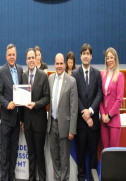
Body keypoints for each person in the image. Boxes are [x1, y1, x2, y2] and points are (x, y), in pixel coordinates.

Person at [72, 44, 102, 181]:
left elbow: (99, 94)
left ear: (91, 56)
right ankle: (81, 178)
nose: (85, 55)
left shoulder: (97, 73)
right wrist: (84, 114)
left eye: (88, 53)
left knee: (92, 156)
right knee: (81, 154)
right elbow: (75, 96)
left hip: (94, 124)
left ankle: (93, 178)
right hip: (81, 124)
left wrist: (90, 111)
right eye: (83, 53)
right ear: (80, 56)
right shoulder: (75, 74)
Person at [47, 53, 78, 181]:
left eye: (61, 63)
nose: (59, 66)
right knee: (55, 158)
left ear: (64, 64)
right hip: (52, 125)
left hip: (65, 127)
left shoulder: (71, 81)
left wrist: (72, 129)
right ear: (54, 64)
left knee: (64, 161)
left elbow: (74, 108)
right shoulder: (50, 79)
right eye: (57, 63)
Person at [21, 48, 50, 181]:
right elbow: (21, 101)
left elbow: (46, 98)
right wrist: (22, 121)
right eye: (29, 58)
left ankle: (42, 178)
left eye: (33, 57)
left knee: (39, 154)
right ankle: (31, 178)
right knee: (30, 155)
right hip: (27, 123)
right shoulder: (23, 76)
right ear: (26, 60)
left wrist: (35, 104)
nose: (31, 60)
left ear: (36, 59)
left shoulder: (43, 76)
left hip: (39, 123)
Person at [0, 44, 23, 181]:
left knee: (14, 151)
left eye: (14, 54)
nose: (12, 57)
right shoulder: (1, 72)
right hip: (7, 119)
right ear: (6, 56)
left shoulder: (20, 69)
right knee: (5, 152)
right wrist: (7, 105)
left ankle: (12, 177)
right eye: (9, 55)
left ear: (16, 55)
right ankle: (4, 178)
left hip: (17, 119)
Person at [100, 47, 124, 148]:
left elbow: (119, 99)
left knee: (113, 153)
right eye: (107, 58)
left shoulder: (120, 76)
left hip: (113, 120)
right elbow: (100, 97)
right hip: (103, 120)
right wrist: (103, 114)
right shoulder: (102, 74)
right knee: (106, 151)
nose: (109, 60)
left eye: (111, 57)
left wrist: (109, 116)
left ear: (115, 59)